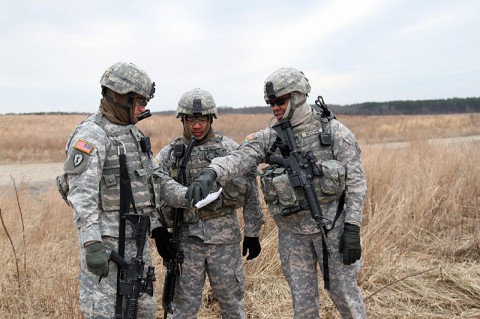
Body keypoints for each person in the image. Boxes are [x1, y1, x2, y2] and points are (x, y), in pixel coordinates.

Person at [186, 68, 367, 319]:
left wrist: (352, 226)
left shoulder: (335, 133)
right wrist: (211, 172)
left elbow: (356, 182)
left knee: (345, 296)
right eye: (271, 103)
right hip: (293, 236)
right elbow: (240, 157)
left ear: (298, 97)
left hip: (333, 230)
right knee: (303, 304)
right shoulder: (271, 136)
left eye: (280, 101)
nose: (275, 108)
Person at [56, 62, 190, 319]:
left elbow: (149, 184)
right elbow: (81, 194)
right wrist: (92, 243)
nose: (143, 109)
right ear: (120, 97)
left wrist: (161, 226)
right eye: (139, 102)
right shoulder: (93, 135)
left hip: (137, 248)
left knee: (142, 311)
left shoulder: (133, 135)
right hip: (108, 250)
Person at [154, 88, 265, 319]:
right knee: (182, 309)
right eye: (191, 119)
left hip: (224, 242)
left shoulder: (229, 150)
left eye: (202, 119)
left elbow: (252, 191)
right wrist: (159, 231)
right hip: (185, 242)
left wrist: (253, 233)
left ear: (211, 118)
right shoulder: (170, 154)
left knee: (232, 305)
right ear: (182, 119)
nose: (197, 125)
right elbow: (152, 190)